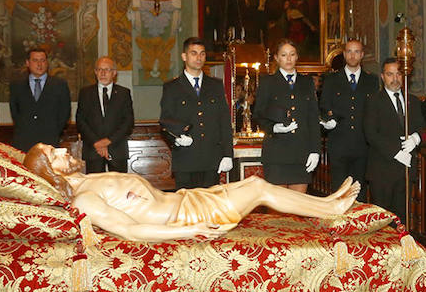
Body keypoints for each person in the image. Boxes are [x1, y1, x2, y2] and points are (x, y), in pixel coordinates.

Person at [24, 144, 360, 242]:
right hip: (184, 215)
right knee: (258, 187)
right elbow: (129, 230)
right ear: (50, 171)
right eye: (54, 153)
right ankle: (330, 209)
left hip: (186, 198)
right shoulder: (84, 199)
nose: (62, 150)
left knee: (250, 185)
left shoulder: (90, 177)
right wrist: (189, 230)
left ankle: (327, 202)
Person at [160, 37, 233, 189]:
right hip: (186, 159)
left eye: (202, 54)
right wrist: (176, 139)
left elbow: (224, 122)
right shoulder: (172, 88)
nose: (198, 58)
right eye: (194, 53)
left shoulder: (215, 85)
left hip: (211, 159)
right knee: (187, 208)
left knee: (210, 208)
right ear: (184, 56)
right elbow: (165, 121)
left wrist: (227, 154)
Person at [364, 57, 425, 225]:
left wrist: (416, 138)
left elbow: (421, 125)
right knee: (383, 221)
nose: (395, 79)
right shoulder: (373, 101)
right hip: (382, 170)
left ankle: (402, 249)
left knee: (403, 218)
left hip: (405, 170)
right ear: (383, 77)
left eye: (398, 74)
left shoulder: (412, 100)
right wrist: (396, 153)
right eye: (390, 74)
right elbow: (371, 134)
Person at [254, 39, 320, 192]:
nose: (288, 59)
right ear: (276, 58)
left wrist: (315, 150)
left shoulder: (306, 82)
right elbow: (258, 114)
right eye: (284, 55)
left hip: (301, 152)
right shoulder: (267, 82)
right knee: (279, 210)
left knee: (299, 206)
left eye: (292, 54)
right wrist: (274, 128)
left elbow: (312, 118)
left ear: (297, 57)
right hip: (277, 153)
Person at [319, 38, 378, 196]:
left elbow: (375, 111)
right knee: (339, 191)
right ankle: (340, 221)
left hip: (363, 146)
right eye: (349, 52)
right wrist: (327, 121)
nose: (353, 56)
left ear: (362, 55)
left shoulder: (372, 80)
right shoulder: (331, 80)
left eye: (356, 52)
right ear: (344, 54)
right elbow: (324, 106)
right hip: (338, 144)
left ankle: (359, 221)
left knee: (360, 191)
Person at [75, 57, 134, 174]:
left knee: (120, 188)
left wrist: (108, 141)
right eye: (99, 69)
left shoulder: (124, 93)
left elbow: (128, 122)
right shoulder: (85, 93)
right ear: (95, 72)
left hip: (117, 149)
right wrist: (97, 143)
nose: (103, 73)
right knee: (94, 189)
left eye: (107, 69)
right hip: (93, 150)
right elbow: (81, 121)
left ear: (114, 73)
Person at [9, 47, 71, 152]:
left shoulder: (59, 85)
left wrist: (54, 131)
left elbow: (65, 113)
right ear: (27, 63)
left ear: (47, 63)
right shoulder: (17, 85)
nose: (39, 64)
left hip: (50, 141)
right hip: (23, 142)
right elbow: (15, 112)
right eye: (35, 60)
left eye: (42, 60)